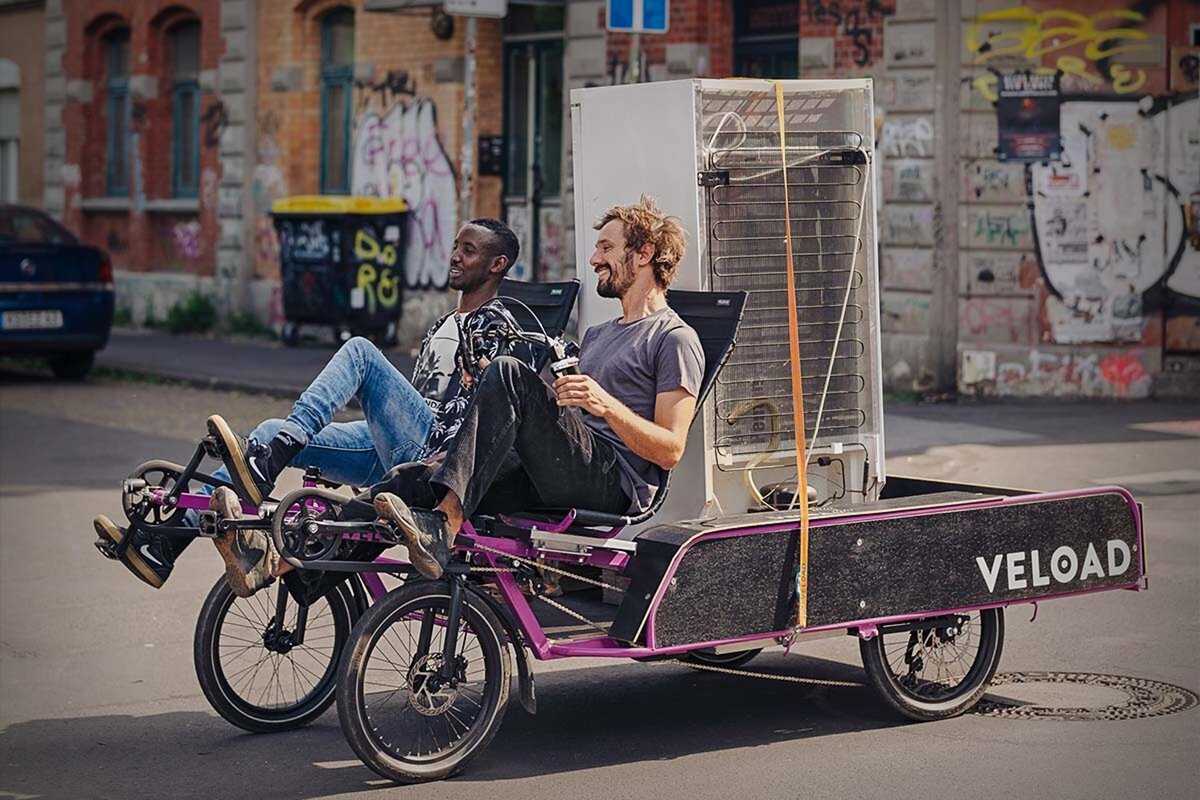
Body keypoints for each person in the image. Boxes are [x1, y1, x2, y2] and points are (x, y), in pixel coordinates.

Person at [216, 194, 705, 589]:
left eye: (607, 247)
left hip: (612, 480)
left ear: (642, 255)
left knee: (508, 377)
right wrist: (504, 387)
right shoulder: (599, 334)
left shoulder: (673, 339)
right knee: (417, 475)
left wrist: (602, 403)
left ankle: (443, 526)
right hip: (560, 466)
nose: (595, 257)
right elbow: (550, 411)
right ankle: (286, 562)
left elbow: (670, 449)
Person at [93, 218, 534, 594]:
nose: (456, 256)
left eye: (469, 251)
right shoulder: (444, 322)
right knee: (264, 430)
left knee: (360, 352)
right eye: (456, 246)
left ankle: (282, 447)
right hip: (397, 440)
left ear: (497, 266)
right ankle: (164, 547)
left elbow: (490, 411)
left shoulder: (498, 321)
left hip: (435, 455)